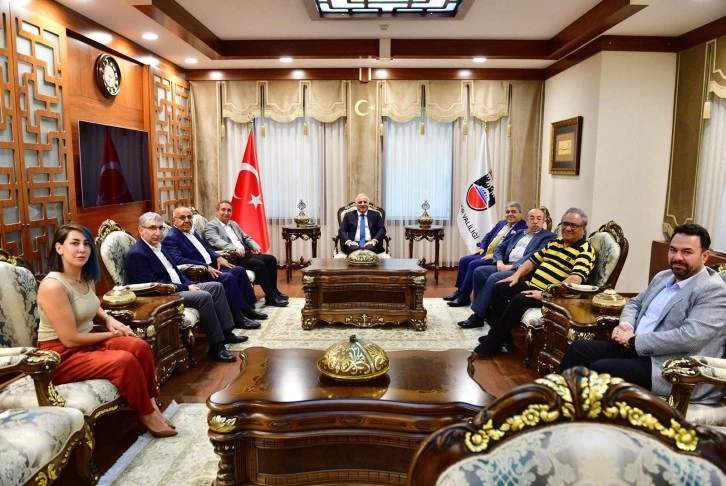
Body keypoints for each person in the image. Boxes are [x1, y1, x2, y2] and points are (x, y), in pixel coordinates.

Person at [559, 224, 726, 404]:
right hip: (636, 348)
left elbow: (690, 337)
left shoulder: (713, 290)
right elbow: (635, 303)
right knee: (578, 350)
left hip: (671, 366)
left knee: (600, 369)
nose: (677, 257)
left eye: (687, 252)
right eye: (673, 250)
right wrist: (626, 325)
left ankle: (586, 416)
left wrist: (634, 340)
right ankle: (557, 407)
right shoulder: (663, 276)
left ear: (705, 256)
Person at [37, 224, 177, 438]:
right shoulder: (53, 286)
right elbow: (70, 339)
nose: (82, 249)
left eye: (86, 244)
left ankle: (151, 404)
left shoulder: (85, 277)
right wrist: (112, 334)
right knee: (124, 361)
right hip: (60, 355)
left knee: (139, 346)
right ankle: (147, 415)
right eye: (74, 243)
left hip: (87, 342)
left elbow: (92, 306)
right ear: (59, 248)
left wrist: (109, 320)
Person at [126, 212, 248, 363]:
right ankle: (217, 345)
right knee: (203, 296)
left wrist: (189, 283)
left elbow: (176, 271)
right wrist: (185, 287)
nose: (157, 233)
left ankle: (227, 332)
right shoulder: (137, 254)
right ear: (141, 230)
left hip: (180, 286)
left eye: (160, 228)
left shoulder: (159, 246)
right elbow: (155, 284)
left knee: (216, 287)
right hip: (164, 295)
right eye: (152, 228)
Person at [474, 207, 596, 357]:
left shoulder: (585, 251)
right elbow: (532, 261)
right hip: (533, 286)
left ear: (583, 229)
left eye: (573, 225)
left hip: (556, 297)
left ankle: (493, 341)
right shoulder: (556, 243)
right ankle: (503, 336)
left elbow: (574, 280)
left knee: (519, 299)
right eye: (565, 223)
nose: (568, 228)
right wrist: (516, 275)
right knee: (499, 288)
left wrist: (545, 293)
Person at [164, 206, 274, 325]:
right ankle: (238, 317)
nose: (187, 220)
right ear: (174, 220)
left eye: (189, 217)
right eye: (182, 218)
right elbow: (177, 260)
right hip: (199, 273)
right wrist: (205, 266)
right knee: (228, 278)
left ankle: (248, 309)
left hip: (212, 266)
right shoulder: (171, 238)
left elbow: (205, 249)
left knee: (239, 270)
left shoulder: (192, 232)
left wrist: (218, 257)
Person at [458, 207, 555, 328]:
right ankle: (485, 310)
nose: (535, 221)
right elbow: (500, 247)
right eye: (532, 218)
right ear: (527, 221)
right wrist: (499, 262)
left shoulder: (548, 237)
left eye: (539, 219)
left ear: (543, 221)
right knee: (479, 272)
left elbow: (534, 255)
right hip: (504, 264)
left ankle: (477, 317)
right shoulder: (520, 233)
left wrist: (511, 266)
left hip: (520, 270)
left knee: (494, 277)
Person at [203, 200, 289, 307]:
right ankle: (270, 297)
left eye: (229, 210)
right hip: (232, 258)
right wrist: (234, 249)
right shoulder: (210, 226)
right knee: (259, 264)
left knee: (271, 259)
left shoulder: (233, 224)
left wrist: (255, 246)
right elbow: (217, 242)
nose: (226, 213)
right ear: (217, 212)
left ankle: (274, 291)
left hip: (245, 253)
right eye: (223, 210)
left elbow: (246, 237)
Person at [445, 202, 526, 307]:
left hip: (500, 258)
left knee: (473, 264)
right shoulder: (501, 223)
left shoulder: (523, 228)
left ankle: (464, 297)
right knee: (464, 260)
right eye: (507, 212)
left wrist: (495, 255)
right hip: (486, 253)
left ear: (520, 214)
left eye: (513, 212)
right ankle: (459, 292)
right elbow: (488, 236)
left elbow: (514, 248)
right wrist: (482, 248)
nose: (510, 214)